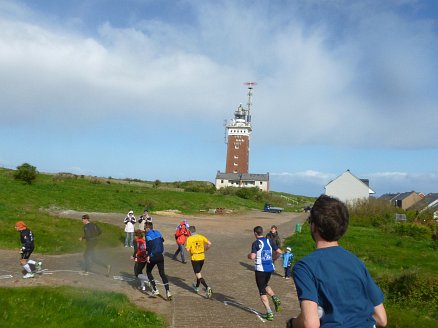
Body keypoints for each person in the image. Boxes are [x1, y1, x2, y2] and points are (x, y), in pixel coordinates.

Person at [288, 195, 387, 328]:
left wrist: (292, 323)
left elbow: (310, 324)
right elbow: (381, 319)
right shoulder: (356, 262)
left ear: (314, 226)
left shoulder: (305, 267)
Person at [247, 225, 283, 321]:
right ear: (262, 232)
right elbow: (279, 251)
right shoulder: (269, 241)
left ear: (255, 233)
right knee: (265, 284)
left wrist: (248, 255)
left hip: (260, 269)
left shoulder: (256, 243)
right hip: (270, 268)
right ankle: (274, 297)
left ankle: (269, 313)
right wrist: (273, 259)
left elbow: (252, 257)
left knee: (262, 290)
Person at [144, 221, 172, 301]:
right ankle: (168, 291)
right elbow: (162, 241)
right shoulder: (158, 232)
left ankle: (155, 289)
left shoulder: (147, 235)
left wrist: (148, 256)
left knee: (148, 271)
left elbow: (149, 247)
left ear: (148, 228)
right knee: (162, 274)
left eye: (145, 228)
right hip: (160, 256)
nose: (144, 229)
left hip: (153, 256)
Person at [185, 225, 212, 299]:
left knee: (198, 274)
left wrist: (191, 251)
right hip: (202, 257)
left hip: (195, 258)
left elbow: (187, 249)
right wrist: (205, 249)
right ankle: (196, 287)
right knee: (198, 273)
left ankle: (207, 287)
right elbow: (209, 243)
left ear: (189, 231)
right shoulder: (201, 236)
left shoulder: (189, 239)